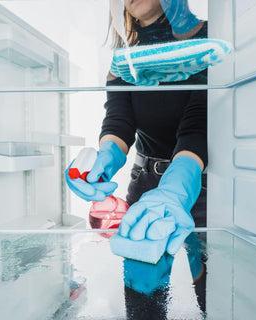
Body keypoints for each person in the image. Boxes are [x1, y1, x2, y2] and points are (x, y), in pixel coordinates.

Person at [65, 0, 208, 262]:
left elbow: (199, 124)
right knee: (142, 292)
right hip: (144, 183)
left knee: (212, 290)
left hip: (201, 187)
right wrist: (104, 158)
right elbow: (118, 122)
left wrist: (176, 187)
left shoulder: (210, 40)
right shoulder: (124, 60)